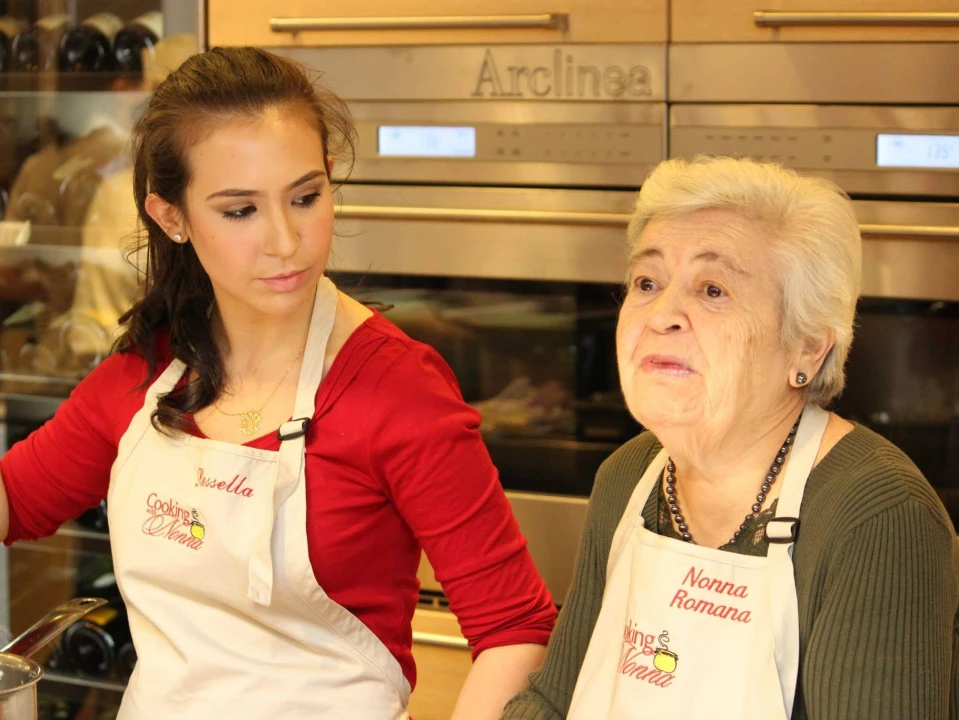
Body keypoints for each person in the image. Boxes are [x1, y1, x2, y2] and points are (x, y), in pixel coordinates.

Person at [0, 46, 556, 719]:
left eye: (305, 197)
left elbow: (515, 629)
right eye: (241, 211)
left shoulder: (397, 389)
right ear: (172, 217)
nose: (287, 241)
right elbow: (15, 499)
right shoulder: (147, 374)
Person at [502, 156, 959, 720]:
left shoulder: (878, 514)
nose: (661, 314)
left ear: (807, 347)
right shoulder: (628, 476)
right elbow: (553, 701)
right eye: (647, 282)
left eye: (712, 289)